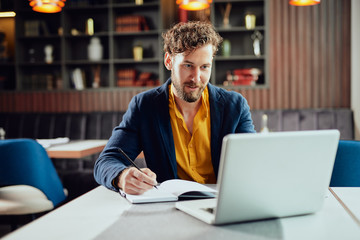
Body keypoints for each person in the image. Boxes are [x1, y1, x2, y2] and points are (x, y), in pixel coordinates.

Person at [94, 21, 255, 195]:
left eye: (204, 67)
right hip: (171, 206)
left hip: (222, 203)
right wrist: (122, 176)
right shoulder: (145, 107)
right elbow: (106, 161)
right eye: (188, 65)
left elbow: (254, 161)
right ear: (169, 61)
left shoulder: (235, 106)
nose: (196, 77)